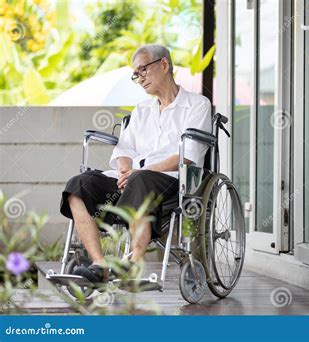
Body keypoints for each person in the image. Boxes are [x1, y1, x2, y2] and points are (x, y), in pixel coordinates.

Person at [59, 44, 212, 284]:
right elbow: (125, 148)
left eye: (143, 70)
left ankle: (135, 261)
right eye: (136, 74)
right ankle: (100, 265)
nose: (139, 78)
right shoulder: (141, 111)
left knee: (140, 179)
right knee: (78, 184)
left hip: (172, 181)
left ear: (164, 64)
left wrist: (139, 172)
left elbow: (189, 155)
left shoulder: (197, 105)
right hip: (132, 179)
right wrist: (123, 169)